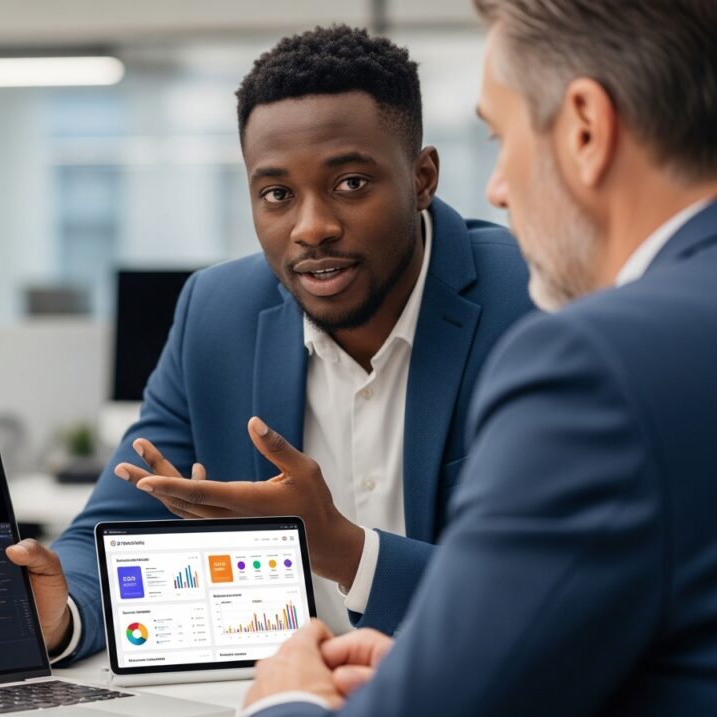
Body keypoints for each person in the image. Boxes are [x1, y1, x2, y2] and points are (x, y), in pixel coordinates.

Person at [237, 1, 717, 715]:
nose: (495, 187)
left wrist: (283, 702)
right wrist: (451, 665)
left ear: (585, 127)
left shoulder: (595, 362)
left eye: (502, 136)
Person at [7, 26, 533, 663]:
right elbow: (110, 527)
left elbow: (550, 592)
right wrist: (60, 615)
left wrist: (337, 546)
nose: (312, 228)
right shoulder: (217, 313)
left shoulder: (533, 302)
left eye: (351, 185)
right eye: (277, 195)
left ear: (422, 178)